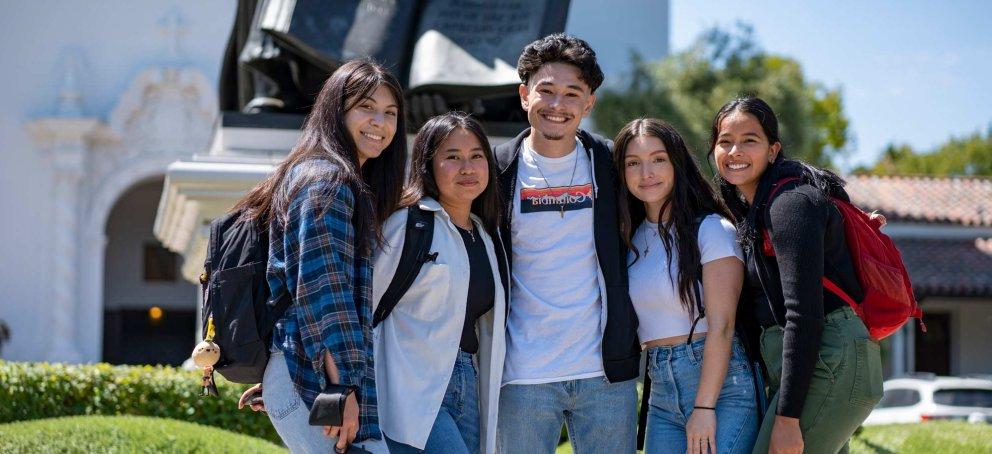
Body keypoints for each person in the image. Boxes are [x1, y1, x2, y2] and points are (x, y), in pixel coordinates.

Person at [234, 59, 407, 454]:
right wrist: (340, 388)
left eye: (390, 113)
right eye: (366, 107)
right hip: (319, 381)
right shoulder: (328, 181)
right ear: (336, 111)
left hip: (308, 371)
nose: (379, 122)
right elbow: (321, 293)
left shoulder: (319, 175)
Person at [709, 96, 884, 454]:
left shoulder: (790, 204)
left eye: (750, 140)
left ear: (773, 150)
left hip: (828, 362)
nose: (735, 150)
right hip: (818, 365)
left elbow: (803, 316)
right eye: (725, 141)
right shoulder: (756, 210)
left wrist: (787, 420)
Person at [493, 34, 641, 454]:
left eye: (572, 93)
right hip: (521, 374)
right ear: (525, 96)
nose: (558, 104)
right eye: (546, 90)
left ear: (589, 103)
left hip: (605, 374)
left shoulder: (613, 166)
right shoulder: (495, 171)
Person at [615, 118, 759, 454]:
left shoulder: (711, 230)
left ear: (677, 163)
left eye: (658, 159)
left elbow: (723, 327)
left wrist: (705, 408)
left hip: (721, 389)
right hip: (661, 390)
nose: (646, 172)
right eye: (633, 163)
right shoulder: (631, 238)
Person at [374, 112, 508, 454]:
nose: (467, 167)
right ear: (427, 165)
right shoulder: (409, 224)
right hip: (410, 388)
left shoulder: (485, 235)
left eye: (477, 156)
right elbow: (363, 306)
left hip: (467, 380)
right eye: (452, 157)